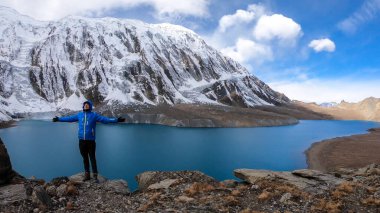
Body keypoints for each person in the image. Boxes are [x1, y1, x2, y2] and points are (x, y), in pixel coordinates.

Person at [52, 100, 125, 182]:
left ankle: (95, 176)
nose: (86, 106)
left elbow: (105, 119)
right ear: (83, 106)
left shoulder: (94, 115)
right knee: (85, 158)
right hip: (81, 141)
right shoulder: (80, 115)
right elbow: (69, 118)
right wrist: (58, 119)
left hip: (91, 141)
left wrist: (116, 120)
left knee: (92, 158)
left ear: (90, 106)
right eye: (85, 105)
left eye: (87, 105)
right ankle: (87, 175)